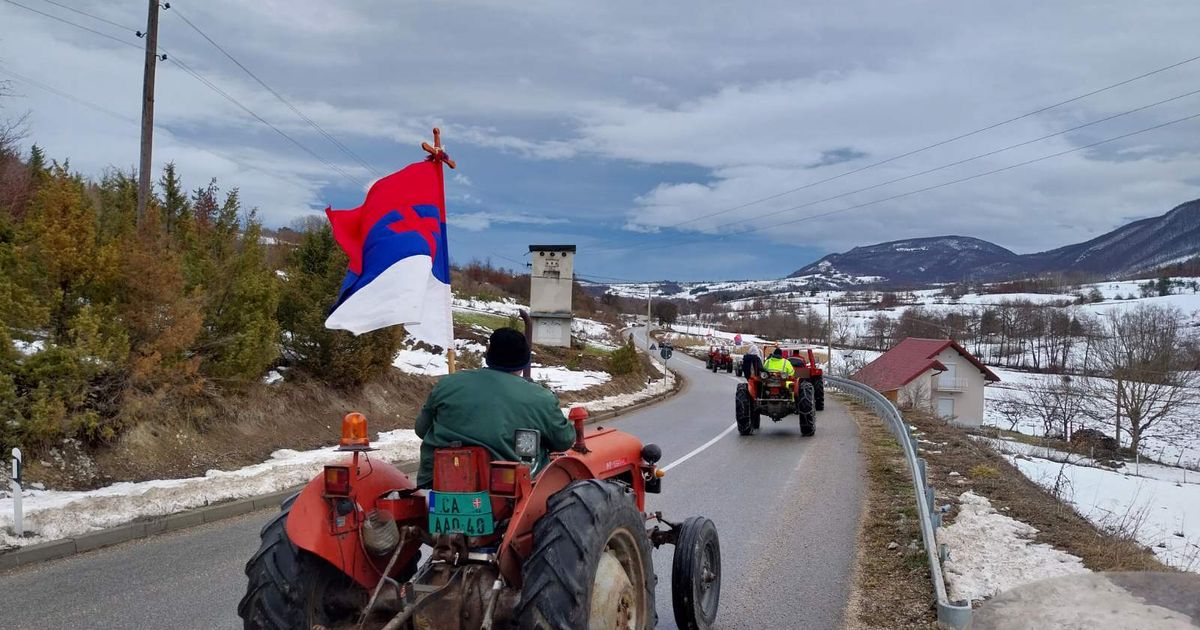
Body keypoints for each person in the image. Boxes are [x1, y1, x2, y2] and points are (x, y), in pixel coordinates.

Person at [414, 328, 576, 487]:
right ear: (525, 360)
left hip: (436, 482)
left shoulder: (448, 384)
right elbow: (563, 441)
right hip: (507, 491)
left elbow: (421, 429)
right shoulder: (541, 398)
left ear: (488, 354)